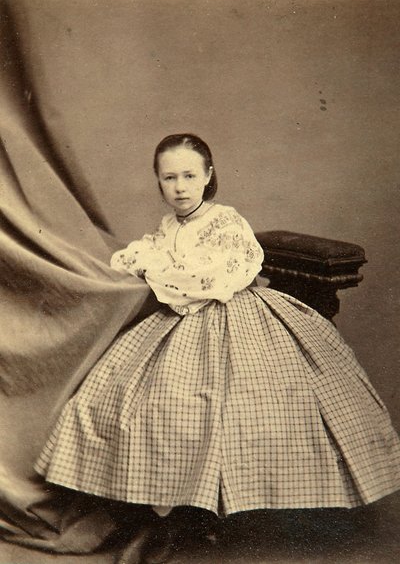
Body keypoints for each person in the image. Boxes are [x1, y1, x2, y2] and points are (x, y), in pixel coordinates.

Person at [35, 134, 400, 564]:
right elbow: (135, 259)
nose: (180, 187)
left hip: (237, 317)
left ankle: (209, 512)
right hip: (179, 321)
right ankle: (160, 510)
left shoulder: (226, 222)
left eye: (190, 176)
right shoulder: (168, 227)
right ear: (158, 182)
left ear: (208, 176)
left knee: (232, 408)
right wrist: (152, 264)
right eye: (169, 178)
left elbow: (212, 279)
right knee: (136, 398)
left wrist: (160, 271)